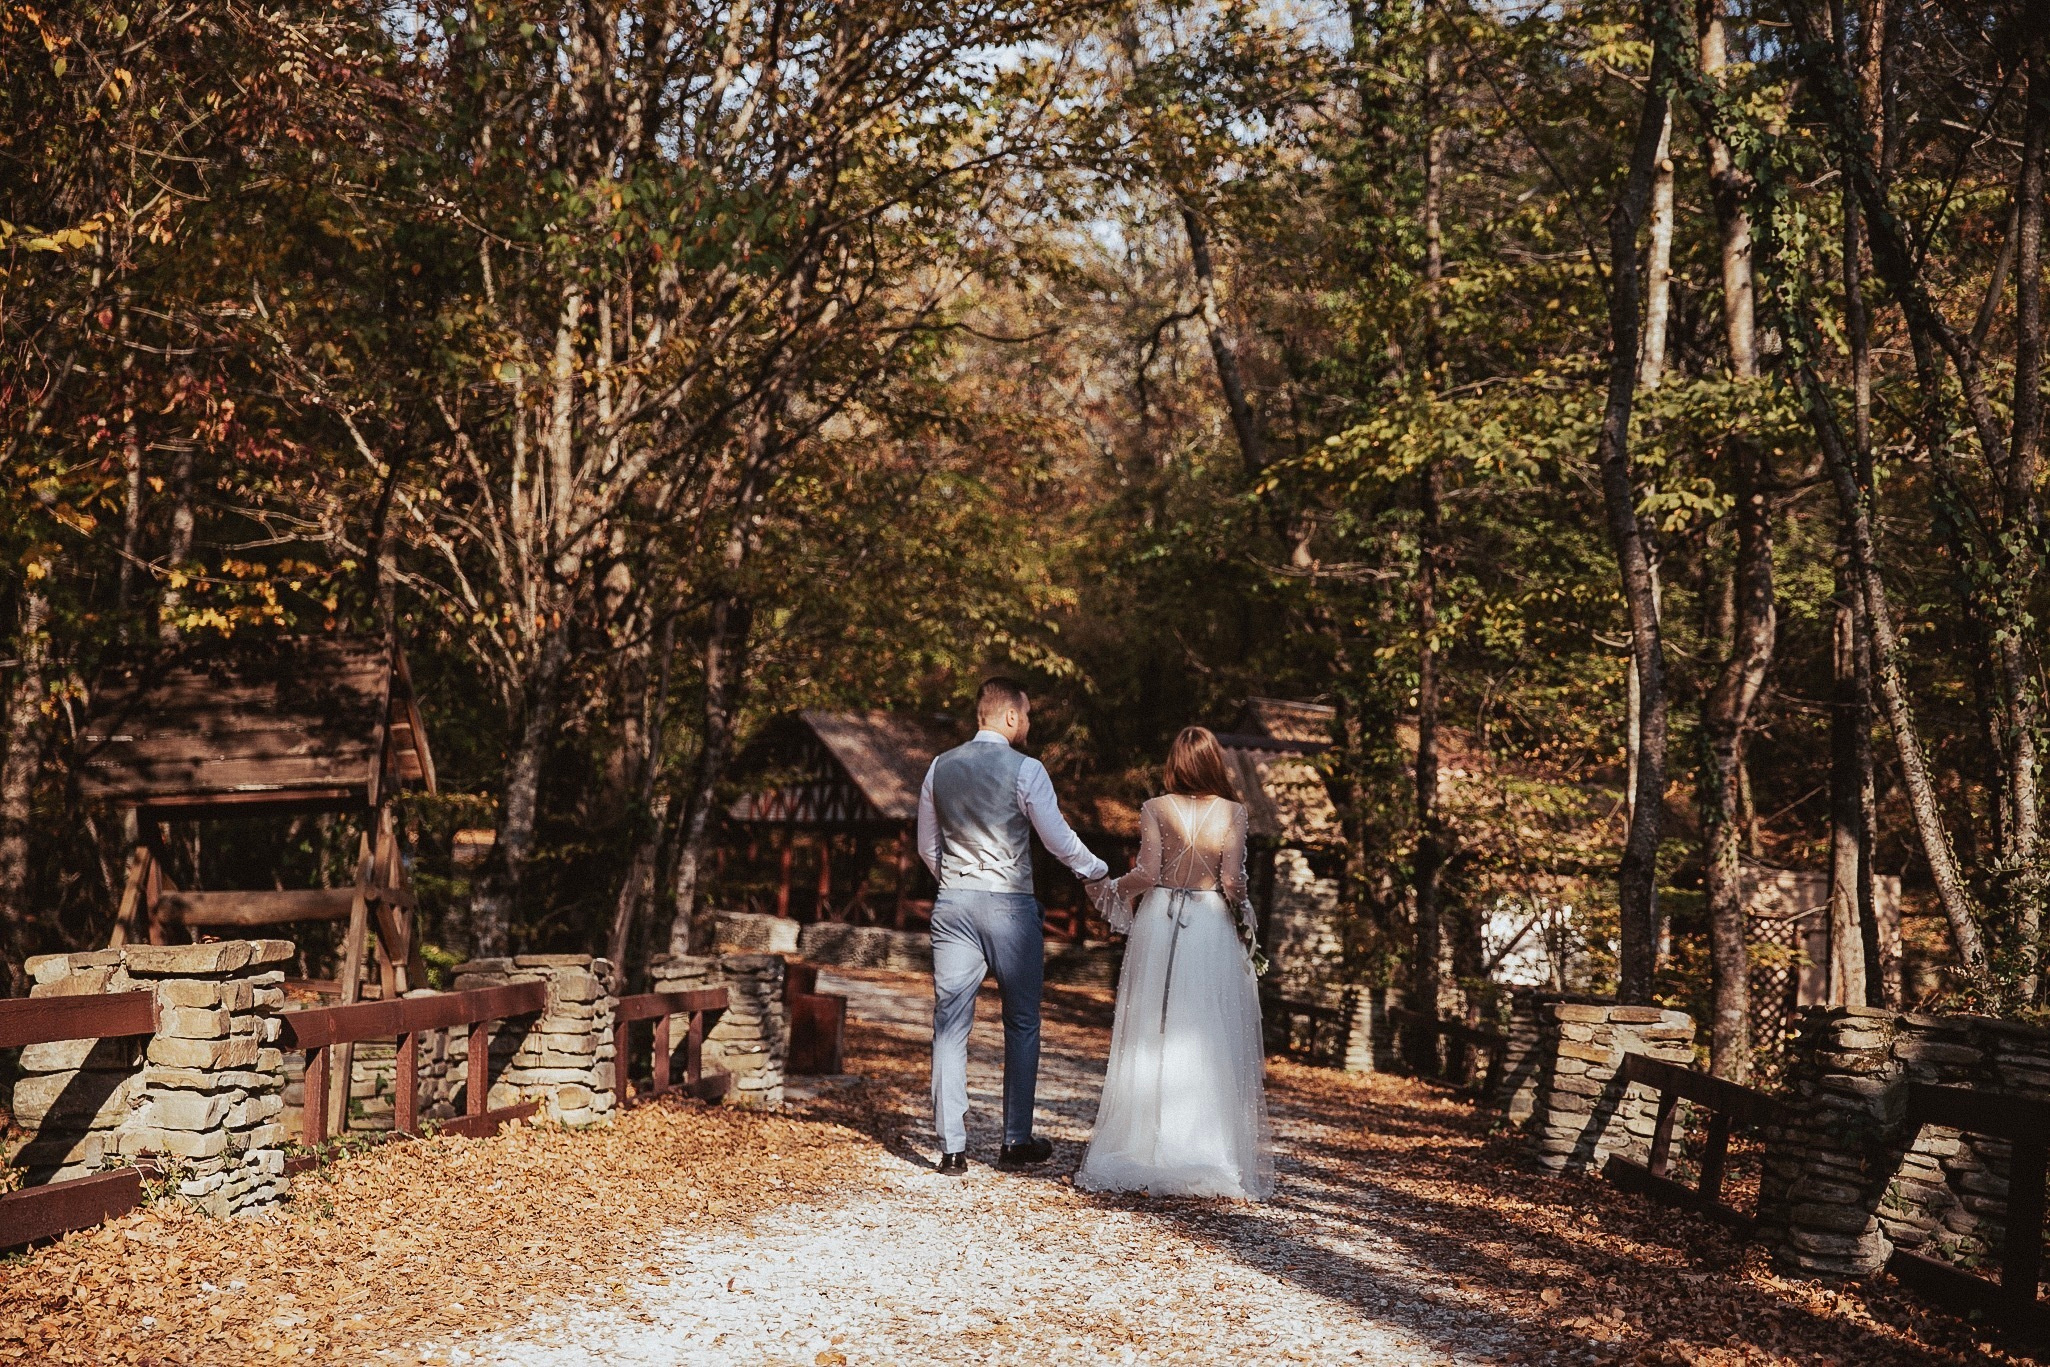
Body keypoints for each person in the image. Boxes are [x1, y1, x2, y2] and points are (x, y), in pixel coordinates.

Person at [917, 677, 1109, 1174]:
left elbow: (927, 845)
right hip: (1009, 906)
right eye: (1027, 715)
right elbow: (1057, 839)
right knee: (1021, 1022)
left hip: (954, 905)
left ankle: (952, 1148)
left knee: (950, 1024)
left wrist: (956, 882)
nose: (1029, 723)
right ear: (1009, 716)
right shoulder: (1027, 769)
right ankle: (1014, 1140)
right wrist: (1097, 871)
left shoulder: (939, 766)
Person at [1076, 725, 1275, 1200]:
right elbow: (1234, 882)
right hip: (1208, 922)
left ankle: (1145, 1142)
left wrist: (1111, 890)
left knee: (1153, 1024)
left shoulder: (1156, 807)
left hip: (1161, 920)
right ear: (1214, 762)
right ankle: (1200, 1145)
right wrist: (1243, 917)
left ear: (1175, 763)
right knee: (1205, 1026)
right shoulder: (1233, 812)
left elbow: (1147, 873)